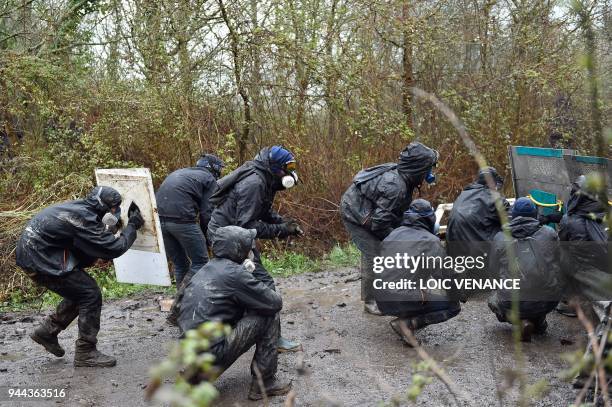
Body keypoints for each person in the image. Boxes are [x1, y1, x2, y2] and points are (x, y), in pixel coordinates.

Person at [16, 186, 145, 367]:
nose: (116, 211)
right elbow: (113, 249)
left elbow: (90, 242)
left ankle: (47, 331)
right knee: (90, 294)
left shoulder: (80, 208)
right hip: (42, 260)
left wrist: (108, 231)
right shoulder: (83, 219)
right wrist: (132, 227)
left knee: (80, 292)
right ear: (104, 207)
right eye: (114, 207)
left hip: (34, 256)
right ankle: (86, 352)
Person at [178, 226, 291, 401]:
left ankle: (196, 375)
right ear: (238, 249)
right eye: (248, 246)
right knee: (269, 315)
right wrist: (251, 277)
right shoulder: (235, 273)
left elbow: (179, 309)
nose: (251, 250)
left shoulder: (205, 269)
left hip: (189, 353)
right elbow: (274, 302)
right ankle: (264, 383)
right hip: (213, 353)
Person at [207, 146, 303, 352]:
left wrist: (285, 223)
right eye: (287, 169)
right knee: (264, 284)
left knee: (237, 281)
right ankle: (273, 340)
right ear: (275, 168)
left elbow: (263, 210)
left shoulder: (264, 178)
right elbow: (248, 226)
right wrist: (281, 230)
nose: (288, 176)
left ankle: (230, 328)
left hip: (231, 233)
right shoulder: (255, 183)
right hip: (229, 237)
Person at [340, 142, 438, 315]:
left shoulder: (404, 178)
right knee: (375, 255)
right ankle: (371, 302)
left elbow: (393, 213)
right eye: (428, 169)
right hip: (355, 212)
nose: (429, 174)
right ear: (418, 169)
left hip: (373, 210)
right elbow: (379, 225)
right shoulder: (396, 186)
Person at [376, 199, 461, 344]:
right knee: (453, 305)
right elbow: (446, 276)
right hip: (401, 297)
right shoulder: (430, 241)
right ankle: (407, 325)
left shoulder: (392, 234)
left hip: (380, 300)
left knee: (417, 286)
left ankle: (406, 315)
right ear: (430, 219)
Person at [557, 175, 610, 389]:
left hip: (583, 279)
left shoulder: (570, 220)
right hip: (599, 277)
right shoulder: (603, 219)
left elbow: (562, 250)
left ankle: (588, 376)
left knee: (600, 326)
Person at [487, 197, 561, 342]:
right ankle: (538, 321)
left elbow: (493, 271)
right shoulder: (549, 233)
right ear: (534, 214)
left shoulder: (500, 237)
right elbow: (559, 263)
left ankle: (520, 321)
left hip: (512, 300)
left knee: (493, 299)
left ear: (513, 215)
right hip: (547, 300)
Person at [156, 154, 225, 288]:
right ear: (214, 169)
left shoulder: (181, 172)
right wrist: (209, 238)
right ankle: (186, 297)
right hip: (182, 221)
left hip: (160, 221)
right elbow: (207, 213)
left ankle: (181, 303)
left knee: (180, 264)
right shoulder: (209, 178)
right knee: (201, 262)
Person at [446, 166, 508, 258]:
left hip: (455, 256)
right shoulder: (495, 198)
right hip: (480, 257)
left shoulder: (463, 195)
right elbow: (511, 225)